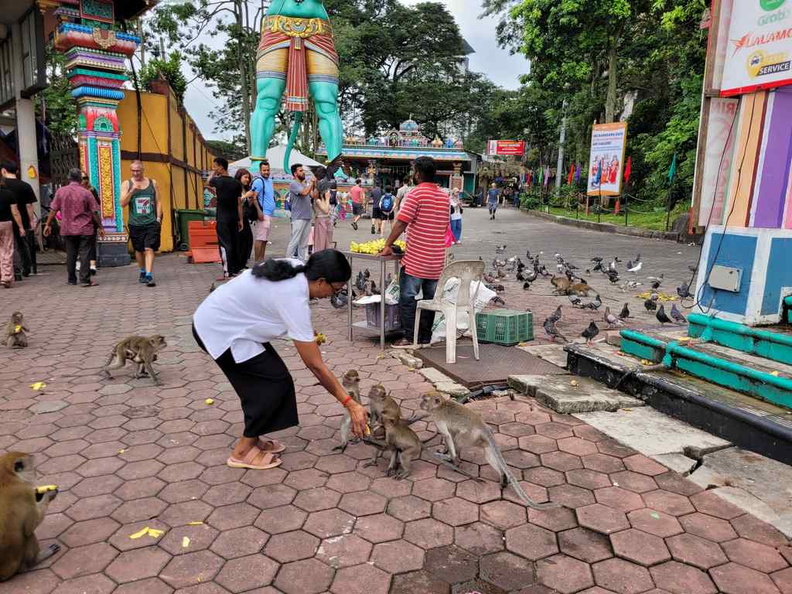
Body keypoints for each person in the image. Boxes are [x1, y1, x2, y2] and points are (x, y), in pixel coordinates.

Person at [192, 250, 368, 470]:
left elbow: (272, 304)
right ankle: (242, 452)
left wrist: (303, 332)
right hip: (219, 331)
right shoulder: (294, 297)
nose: (331, 296)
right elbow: (315, 365)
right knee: (272, 387)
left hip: (231, 324)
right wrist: (349, 403)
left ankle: (254, 439)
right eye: (335, 290)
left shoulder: (296, 267)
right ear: (321, 281)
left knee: (273, 381)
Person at [379, 157, 449, 348]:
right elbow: (445, 227)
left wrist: (387, 244)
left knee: (408, 298)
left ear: (417, 173)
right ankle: (425, 337)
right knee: (429, 300)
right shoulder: (444, 196)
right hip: (436, 260)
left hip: (416, 260)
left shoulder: (415, 194)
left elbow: (401, 222)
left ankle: (409, 337)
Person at [43, 168, 104, 287]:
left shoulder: (61, 192)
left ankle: (71, 279)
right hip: (85, 228)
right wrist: (101, 227)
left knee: (71, 253)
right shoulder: (86, 192)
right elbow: (94, 212)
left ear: (69, 178)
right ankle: (85, 279)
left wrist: (48, 224)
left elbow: (53, 209)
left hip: (67, 228)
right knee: (85, 253)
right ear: (80, 179)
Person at [121, 161, 162, 287]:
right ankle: (143, 271)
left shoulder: (152, 183)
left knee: (149, 248)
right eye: (133, 170)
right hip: (135, 223)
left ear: (143, 169)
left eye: (138, 170)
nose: (135, 173)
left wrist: (158, 218)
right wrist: (132, 190)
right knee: (138, 250)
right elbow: (122, 203)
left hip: (151, 222)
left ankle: (149, 275)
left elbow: (158, 201)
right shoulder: (127, 184)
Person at [208, 157, 244, 278]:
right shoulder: (236, 183)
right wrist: (241, 219)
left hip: (222, 218)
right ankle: (234, 268)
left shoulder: (218, 181)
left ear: (221, 167)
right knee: (234, 242)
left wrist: (213, 172)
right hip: (234, 217)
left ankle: (227, 270)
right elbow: (239, 203)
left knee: (224, 244)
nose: (214, 168)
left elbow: (208, 181)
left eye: (215, 166)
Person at [1, 162, 38, 279]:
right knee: (22, 244)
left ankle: (10, 270)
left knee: (7, 246)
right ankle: (26, 268)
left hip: (5, 219)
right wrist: (31, 220)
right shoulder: (25, 185)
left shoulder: (3, 185)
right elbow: (29, 205)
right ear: (17, 171)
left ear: (3, 171)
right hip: (22, 219)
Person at [285, 163, 315, 261]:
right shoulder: (293, 184)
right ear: (295, 173)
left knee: (304, 243)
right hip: (298, 217)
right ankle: (287, 262)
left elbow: (313, 195)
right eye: (300, 171)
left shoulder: (304, 184)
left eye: (303, 170)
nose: (303, 172)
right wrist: (311, 183)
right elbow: (304, 193)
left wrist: (314, 184)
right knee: (295, 241)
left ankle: (302, 263)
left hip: (307, 216)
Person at [0, 175, 24, 288]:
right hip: (6, 223)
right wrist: (20, 227)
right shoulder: (9, 194)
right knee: (7, 250)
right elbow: (15, 212)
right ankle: (6, 277)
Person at [251, 161, 275, 262]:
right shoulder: (258, 181)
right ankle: (257, 262)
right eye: (264, 170)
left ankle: (261, 260)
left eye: (268, 170)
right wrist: (259, 211)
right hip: (263, 214)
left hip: (269, 214)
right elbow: (253, 197)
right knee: (260, 238)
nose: (266, 172)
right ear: (260, 170)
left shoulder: (269, 181)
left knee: (264, 239)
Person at [235, 168, 256, 270]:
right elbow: (237, 201)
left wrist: (252, 199)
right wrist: (245, 196)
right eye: (245, 177)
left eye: (248, 178)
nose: (247, 180)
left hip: (245, 217)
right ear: (239, 177)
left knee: (248, 240)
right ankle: (238, 264)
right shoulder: (236, 188)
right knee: (240, 241)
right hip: (237, 218)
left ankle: (243, 262)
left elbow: (247, 205)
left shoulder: (246, 189)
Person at [81, 172, 100, 276]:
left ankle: (92, 265)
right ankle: (82, 263)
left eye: (86, 178)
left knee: (91, 243)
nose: (85, 180)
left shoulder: (92, 190)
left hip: (91, 221)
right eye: (83, 178)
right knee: (81, 244)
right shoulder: (75, 191)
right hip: (79, 222)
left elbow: (97, 204)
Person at [312, 169, 333, 252]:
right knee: (321, 243)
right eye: (327, 189)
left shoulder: (323, 199)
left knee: (328, 243)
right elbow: (325, 210)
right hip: (321, 221)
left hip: (327, 221)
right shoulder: (318, 200)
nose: (328, 191)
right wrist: (327, 199)